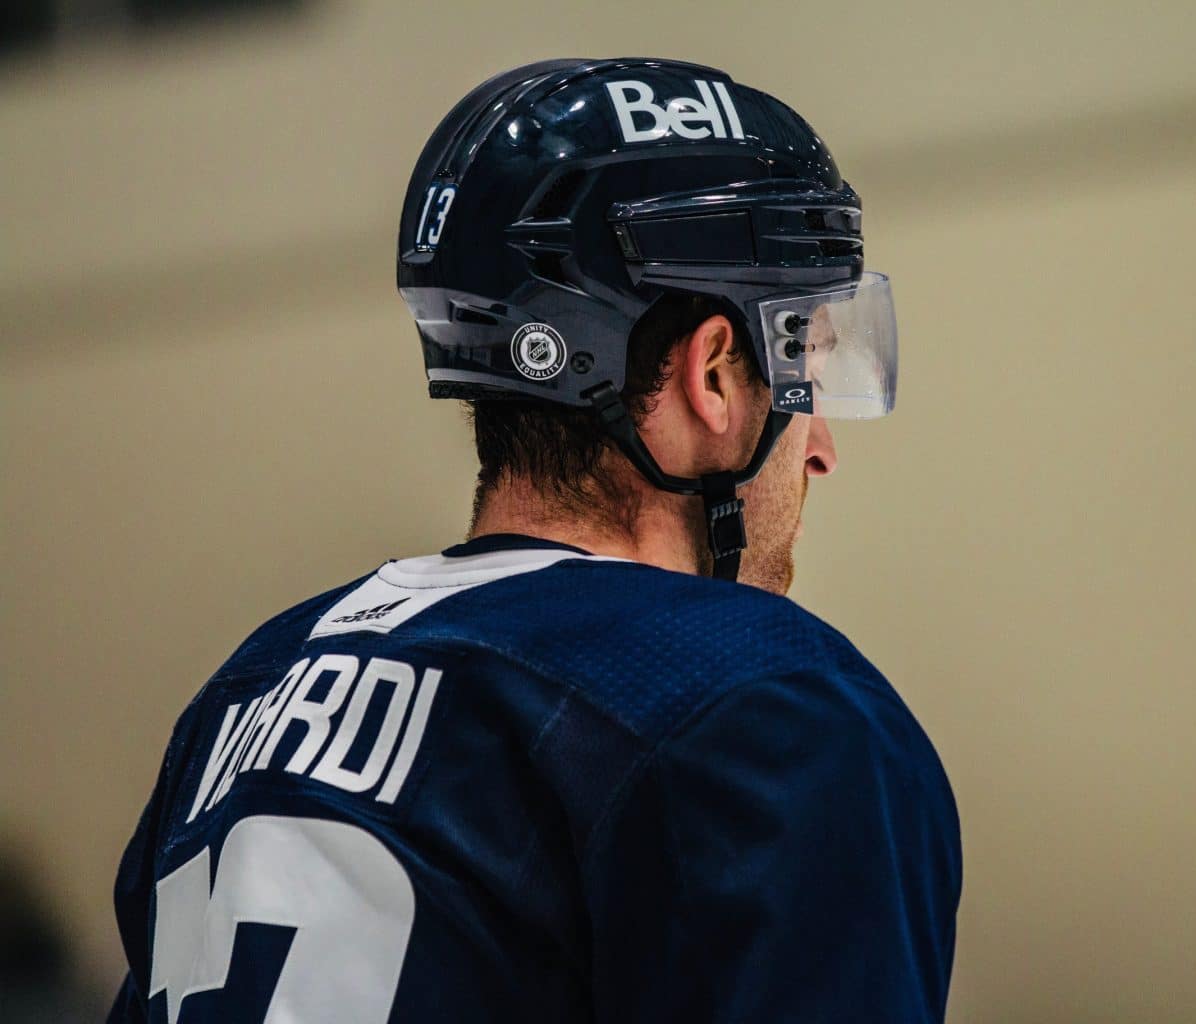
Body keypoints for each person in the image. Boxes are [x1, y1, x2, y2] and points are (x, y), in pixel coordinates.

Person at [108, 57, 961, 1023]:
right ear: (714, 376)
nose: (822, 451)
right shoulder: (762, 709)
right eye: (804, 368)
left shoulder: (245, 697)